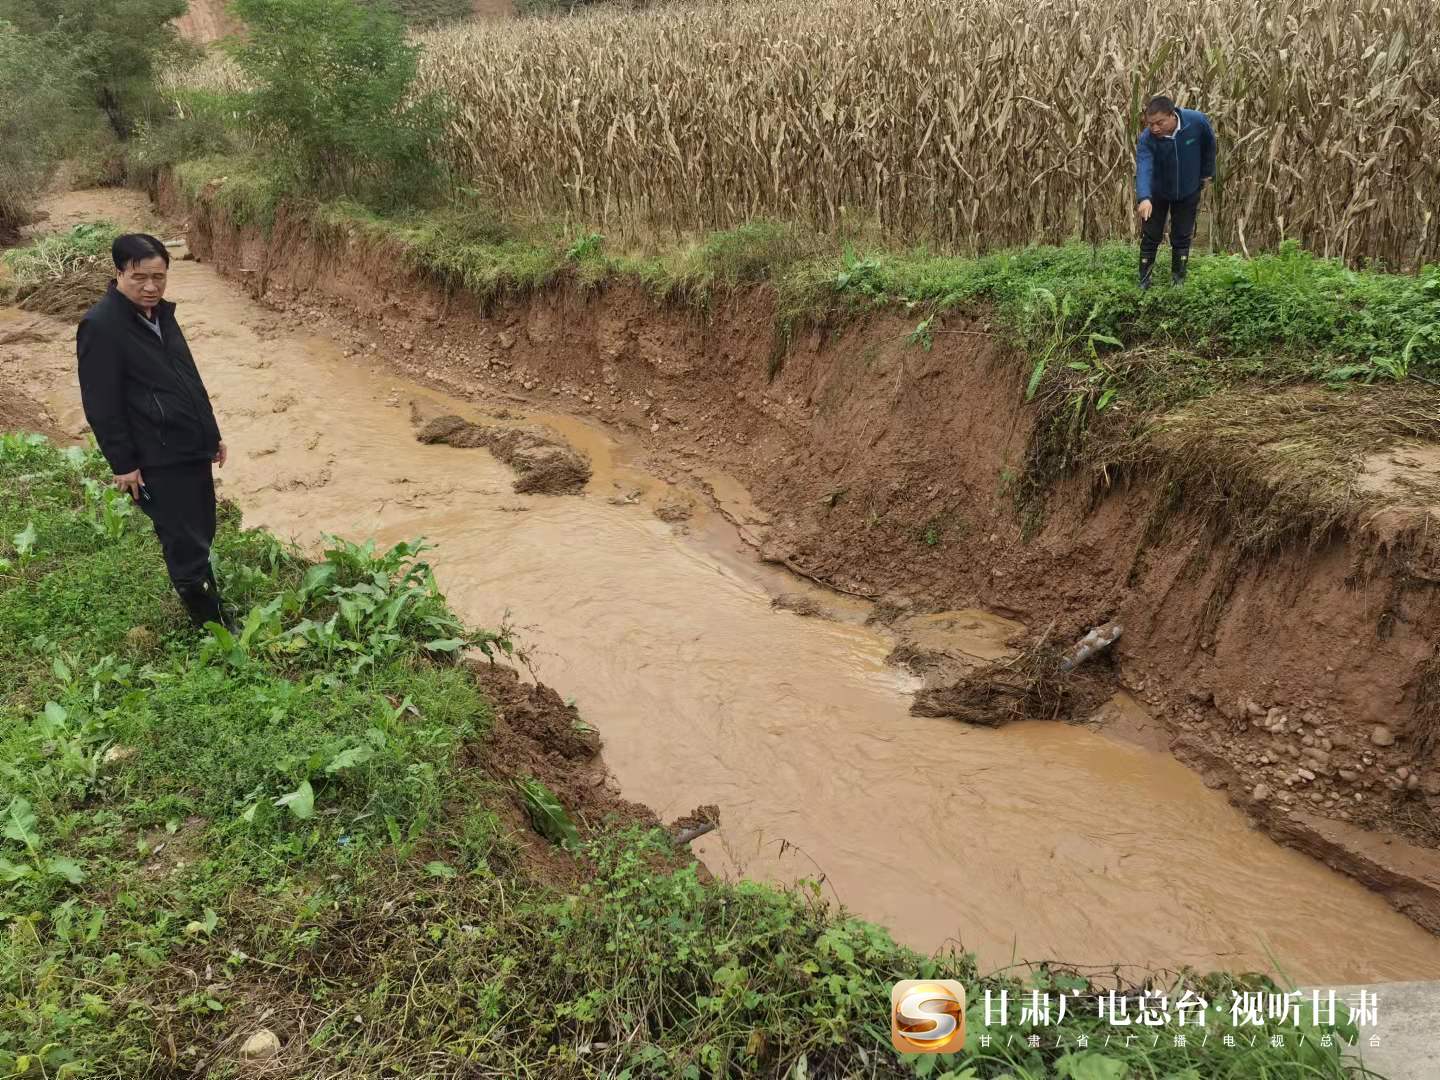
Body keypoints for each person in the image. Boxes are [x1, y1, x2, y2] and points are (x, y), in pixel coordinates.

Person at [77, 233, 233, 629]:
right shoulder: (101, 325)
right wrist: (124, 464)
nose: (151, 287)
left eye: (159, 277)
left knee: (202, 528)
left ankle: (210, 603)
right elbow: (101, 403)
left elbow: (188, 379)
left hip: (189, 444)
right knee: (183, 540)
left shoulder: (162, 313)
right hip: (155, 454)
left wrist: (210, 434)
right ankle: (214, 628)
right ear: (118, 273)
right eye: (139, 278)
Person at [1134, 96, 1216, 289]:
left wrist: (1206, 173)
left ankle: (1178, 282)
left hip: (1188, 190)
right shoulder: (1147, 138)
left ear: (1172, 115)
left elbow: (1209, 146)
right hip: (1158, 194)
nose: (1155, 128)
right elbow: (1144, 167)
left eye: (1159, 123)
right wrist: (1144, 197)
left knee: (1181, 237)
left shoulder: (1196, 122)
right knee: (1150, 236)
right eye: (1150, 124)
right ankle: (1144, 283)